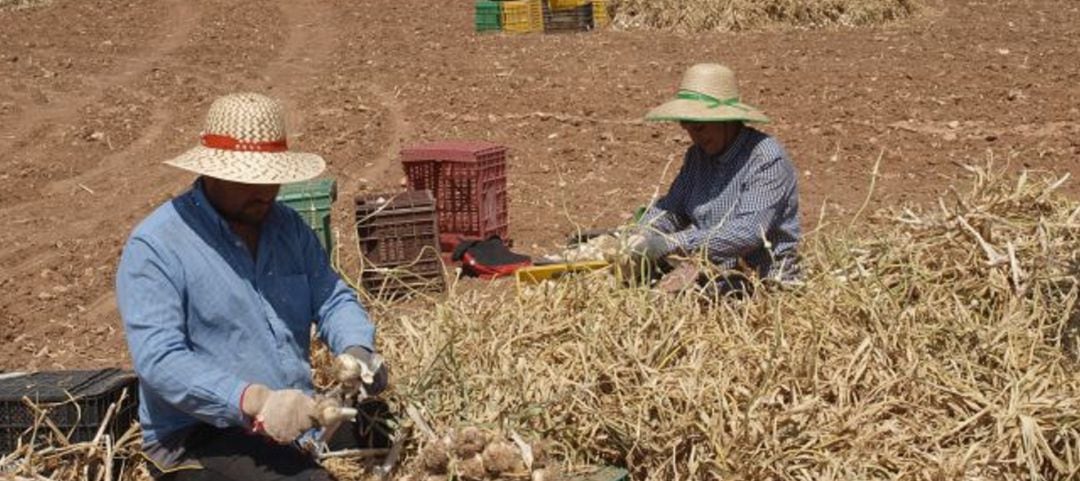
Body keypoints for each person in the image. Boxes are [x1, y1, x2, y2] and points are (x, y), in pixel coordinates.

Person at [116, 93, 389, 480]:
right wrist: (254, 401)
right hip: (201, 434)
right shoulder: (158, 246)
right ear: (211, 172)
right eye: (247, 180)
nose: (264, 192)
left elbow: (331, 298)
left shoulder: (288, 228)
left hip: (291, 423)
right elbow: (160, 361)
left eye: (271, 178)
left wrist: (357, 348)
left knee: (385, 431)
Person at [627, 63, 801, 295]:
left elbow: (747, 233)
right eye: (687, 127)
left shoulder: (766, 159)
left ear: (727, 120)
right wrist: (642, 233)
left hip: (759, 283)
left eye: (700, 128)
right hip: (707, 275)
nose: (693, 137)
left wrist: (668, 244)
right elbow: (672, 210)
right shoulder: (697, 157)